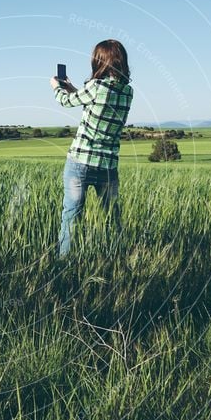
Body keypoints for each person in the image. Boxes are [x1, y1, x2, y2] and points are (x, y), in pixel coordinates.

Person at [50, 39, 133, 258]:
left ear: (99, 61)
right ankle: (118, 260)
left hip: (80, 164)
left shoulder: (95, 87)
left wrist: (57, 87)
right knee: (112, 217)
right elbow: (98, 103)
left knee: (71, 216)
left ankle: (63, 264)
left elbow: (66, 102)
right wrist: (75, 88)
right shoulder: (127, 92)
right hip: (108, 166)